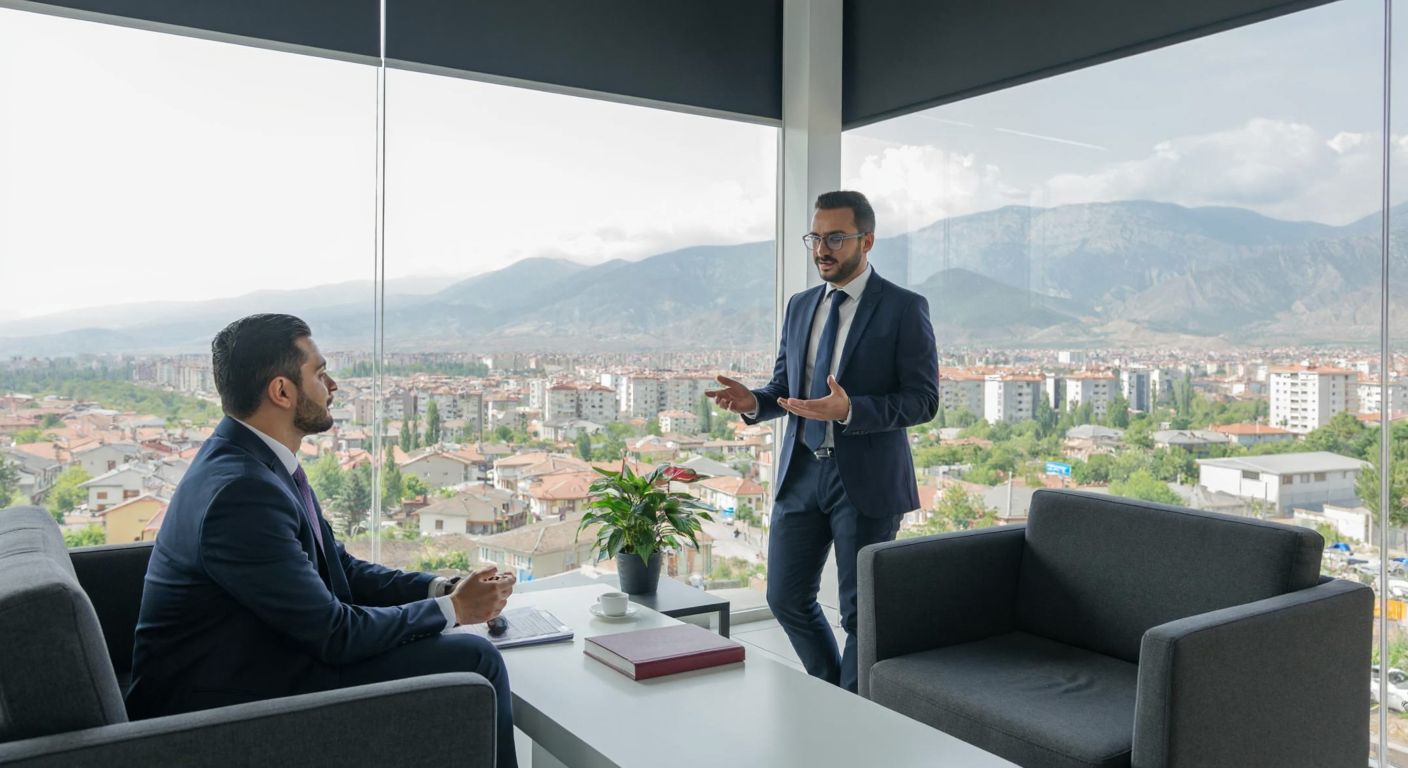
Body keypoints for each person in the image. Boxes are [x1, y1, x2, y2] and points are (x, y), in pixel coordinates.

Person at [127, 314, 518, 767]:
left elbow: (342, 569)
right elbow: (335, 635)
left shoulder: (257, 461)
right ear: (282, 391)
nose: (332, 384)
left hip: (259, 656)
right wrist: (454, 611)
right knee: (474, 658)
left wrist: (439, 589)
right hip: (214, 707)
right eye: (318, 372)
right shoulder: (242, 492)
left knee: (451, 645)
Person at [707, 191, 938, 692]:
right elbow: (785, 389)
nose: (821, 250)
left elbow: (923, 400)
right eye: (816, 237)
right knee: (785, 597)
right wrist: (753, 403)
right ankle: (834, 694)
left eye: (835, 237)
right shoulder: (800, 306)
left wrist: (851, 409)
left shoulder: (903, 308)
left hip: (868, 481)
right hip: (801, 471)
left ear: (866, 240)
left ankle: (849, 721)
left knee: (861, 616)